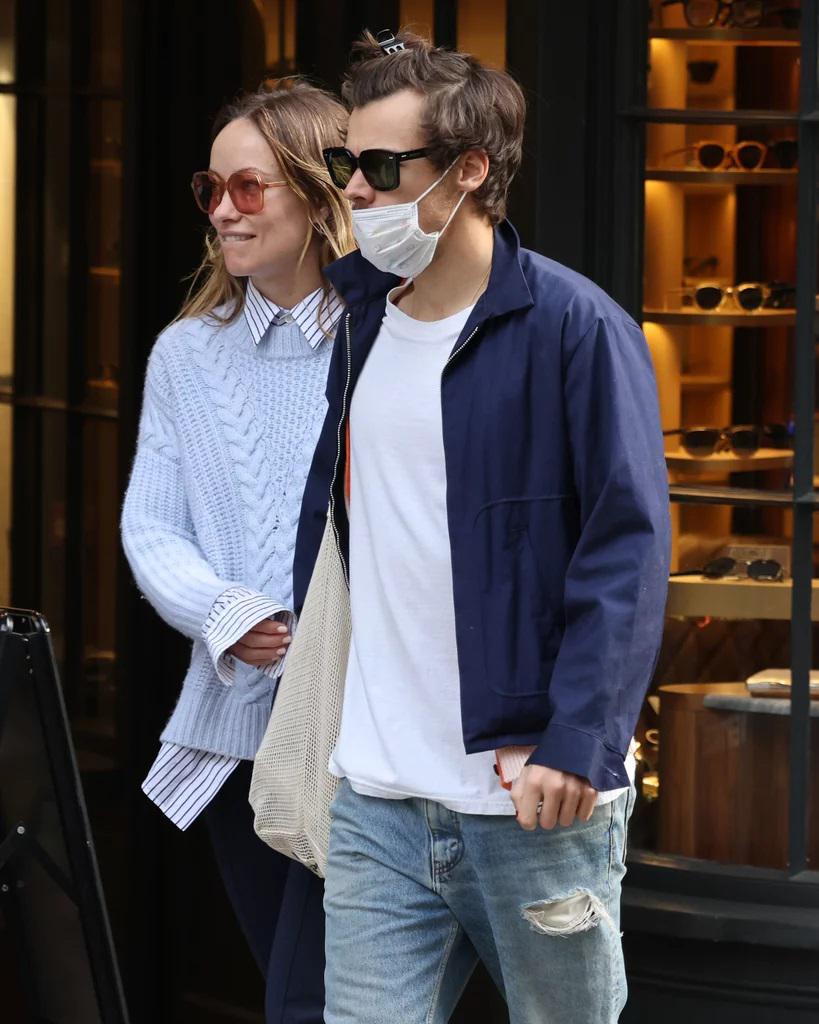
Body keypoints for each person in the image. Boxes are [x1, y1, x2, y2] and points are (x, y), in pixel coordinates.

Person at [294, 30, 671, 1024]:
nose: (356, 190)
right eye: (345, 163)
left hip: (535, 802)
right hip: (377, 796)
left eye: (382, 167)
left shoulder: (577, 329)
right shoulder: (357, 322)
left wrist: (577, 741)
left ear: (468, 170)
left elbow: (626, 553)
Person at [121, 78, 354, 1023]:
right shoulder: (187, 354)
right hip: (237, 741)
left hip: (357, 741)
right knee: (298, 997)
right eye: (210, 189)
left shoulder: (383, 339)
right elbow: (150, 525)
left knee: (315, 1002)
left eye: (248, 187)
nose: (223, 209)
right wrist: (227, 613)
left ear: (318, 192)